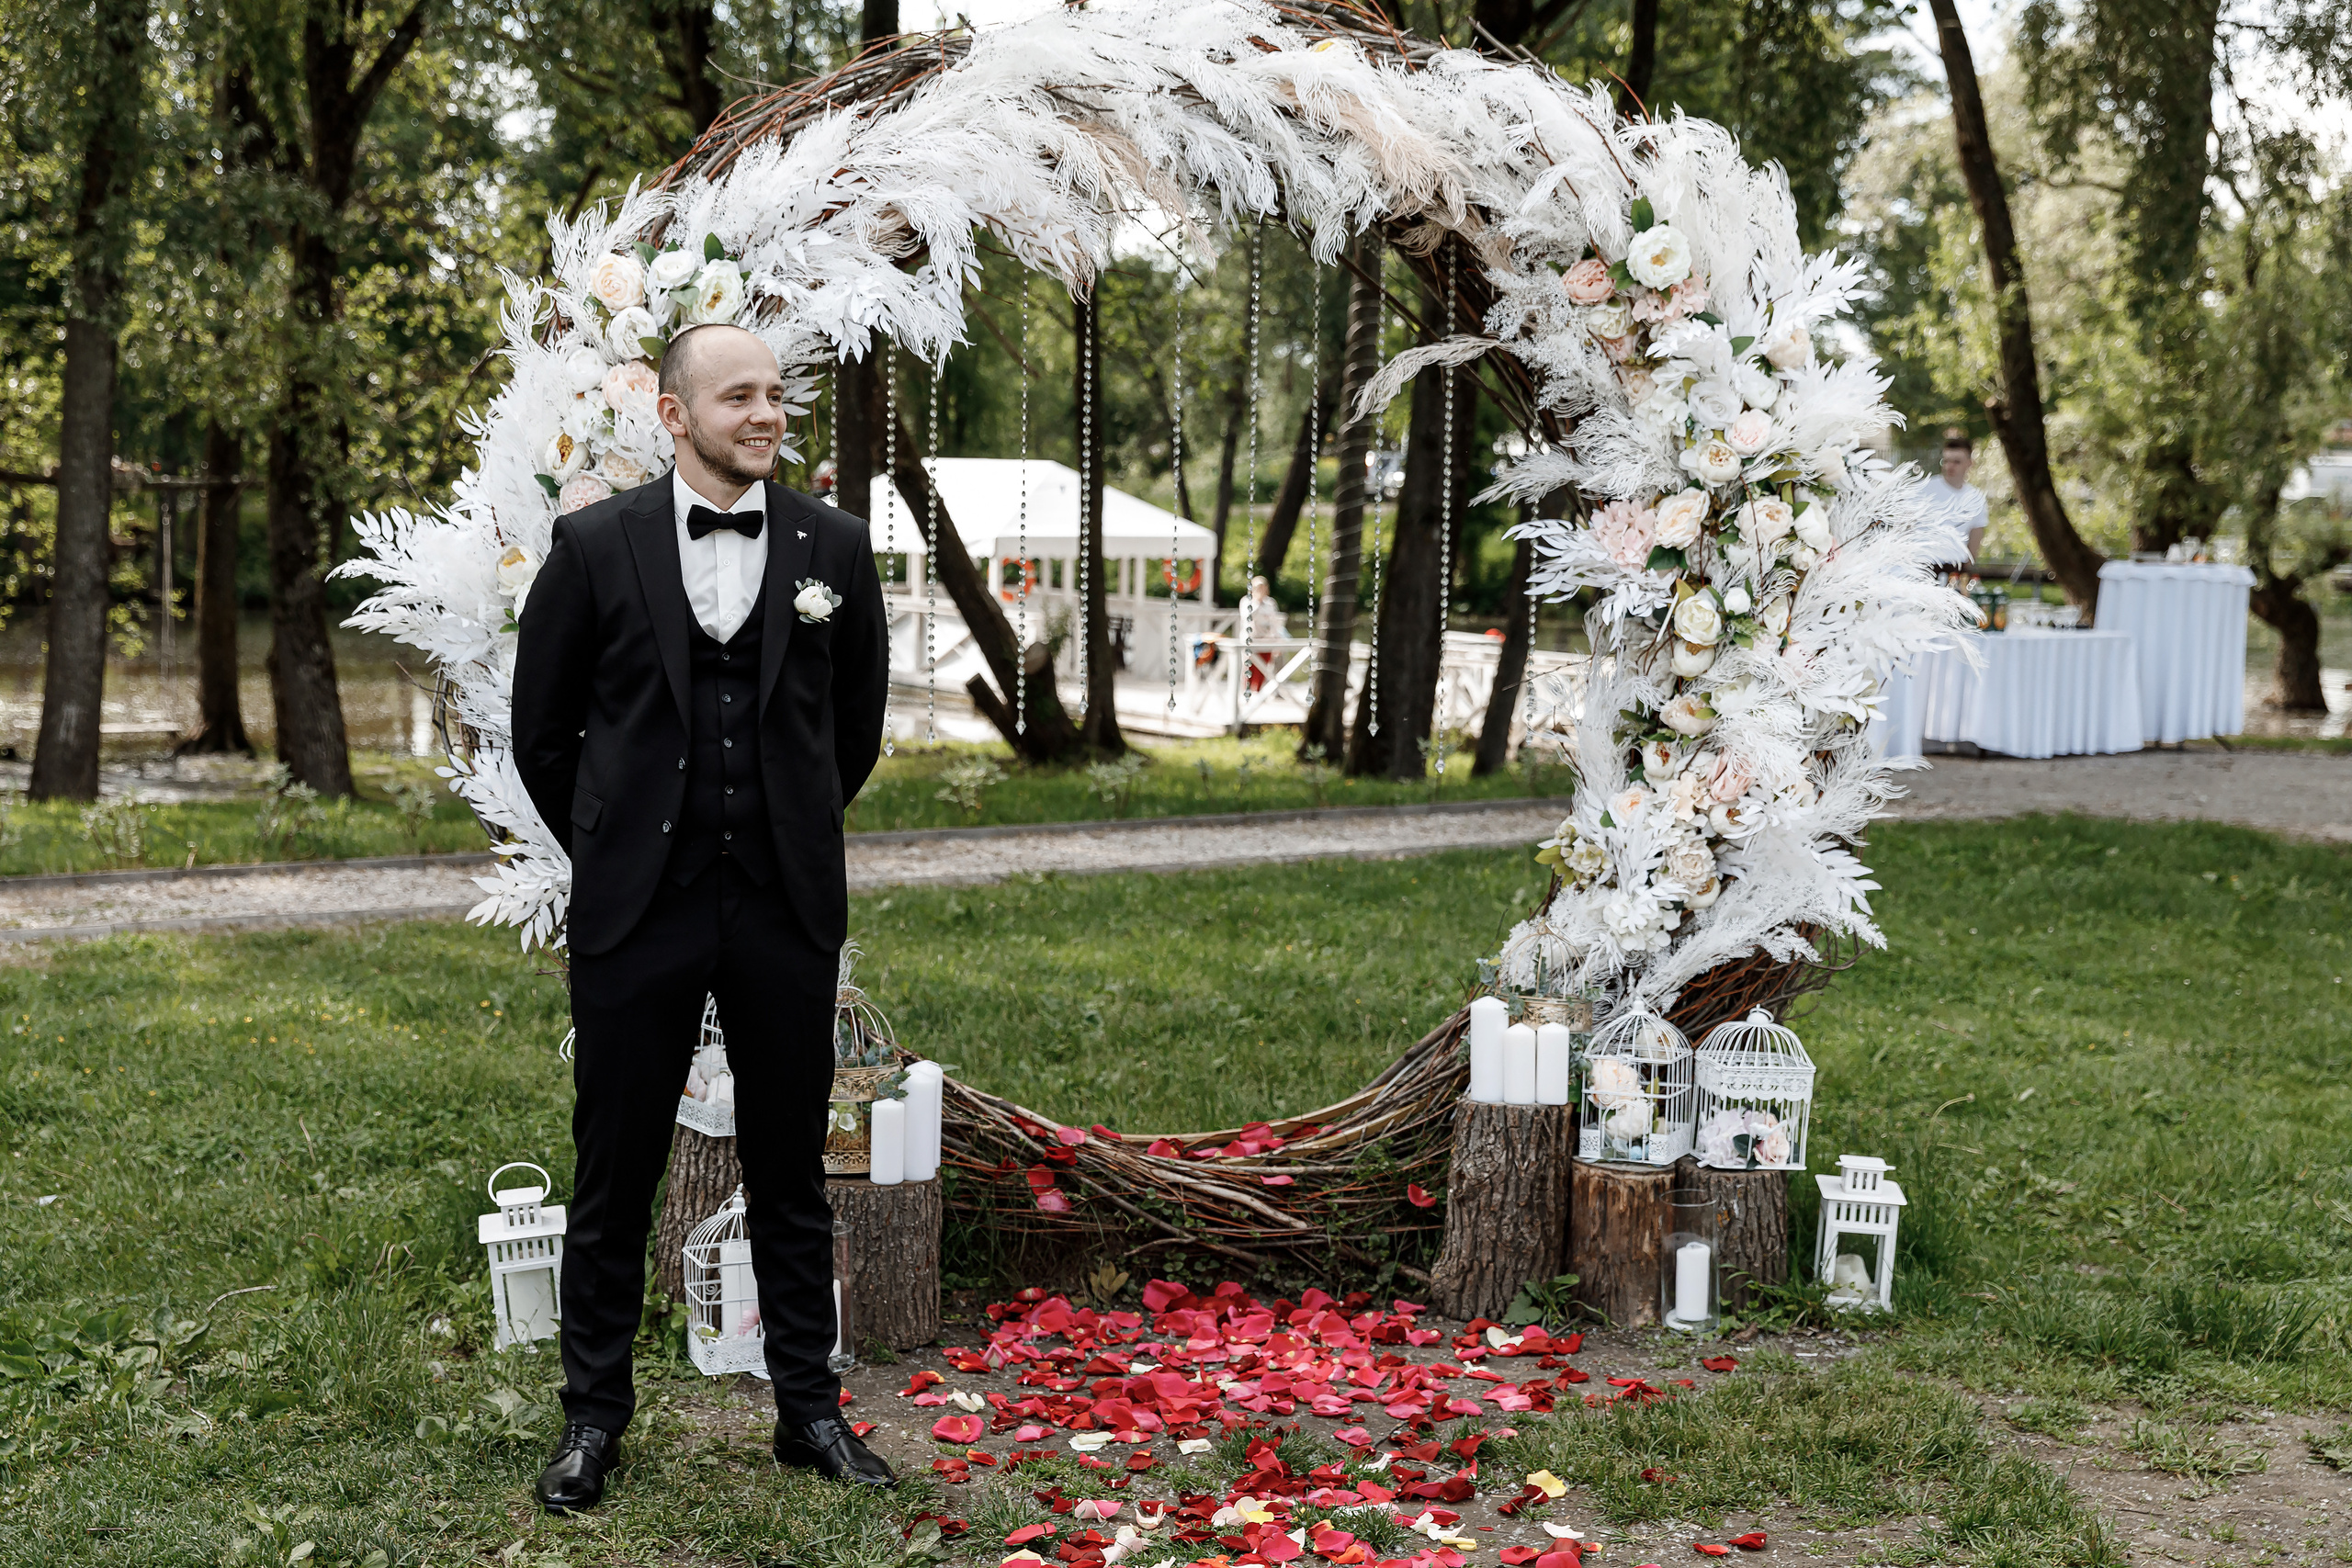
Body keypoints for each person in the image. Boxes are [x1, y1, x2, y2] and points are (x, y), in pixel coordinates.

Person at [512, 323, 894, 1513]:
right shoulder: (593, 546)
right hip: (639, 910)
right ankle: (592, 1418)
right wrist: (619, 845)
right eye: (739, 397)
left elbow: (855, 726)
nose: (766, 414)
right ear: (674, 416)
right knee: (614, 1171)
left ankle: (809, 1410)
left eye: (776, 394)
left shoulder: (834, 546)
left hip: (782, 905)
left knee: (791, 1169)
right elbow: (542, 732)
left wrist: (786, 830)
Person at [1912, 428, 1986, 568]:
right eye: (1946, 461)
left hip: (1955, 566)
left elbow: (1976, 534)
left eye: (1956, 462)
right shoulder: (1924, 489)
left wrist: (1967, 567)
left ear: (1969, 463)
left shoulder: (1975, 497)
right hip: (1923, 565)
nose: (1949, 466)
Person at [1244, 573, 1285, 692]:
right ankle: (1247, 691)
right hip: (1252, 640)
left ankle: (1260, 692)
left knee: (1264, 668)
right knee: (1249, 668)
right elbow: (1248, 617)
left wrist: (1277, 640)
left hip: (1267, 640)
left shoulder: (1271, 603)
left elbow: (1275, 622)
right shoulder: (1247, 602)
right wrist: (1257, 602)